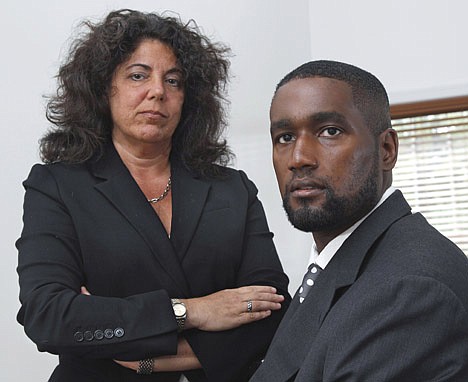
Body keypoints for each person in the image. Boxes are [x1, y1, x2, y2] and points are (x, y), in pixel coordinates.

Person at [16, 9, 290, 382]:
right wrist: (192, 311)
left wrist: (148, 357)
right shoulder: (57, 187)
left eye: (173, 80)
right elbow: (49, 316)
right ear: (103, 88)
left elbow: (271, 309)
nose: (157, 91)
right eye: (138, 75)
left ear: (189, 98)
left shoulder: (231, 189)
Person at [250, 60, 468, 381]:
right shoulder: (339, 266)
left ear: (387, 150)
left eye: (329, 131)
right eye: (284, 137)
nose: (299, 158)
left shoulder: (409, 290)